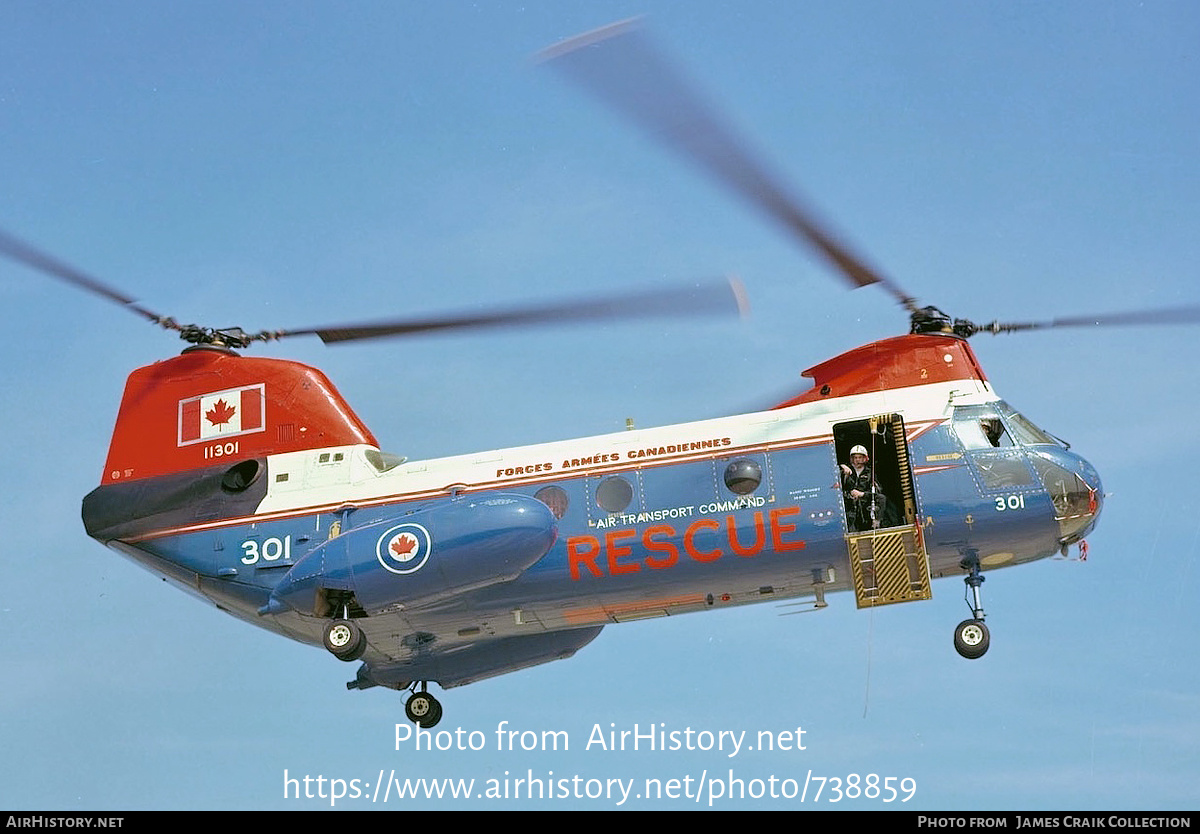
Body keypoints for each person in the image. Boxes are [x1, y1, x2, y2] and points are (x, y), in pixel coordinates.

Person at [839, 444, 894, 531]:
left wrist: (862, 494)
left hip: (865, 503)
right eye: (855, 457)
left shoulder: (870, 472)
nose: (857, 460)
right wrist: (842, 467)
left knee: (881, 498)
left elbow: (877, 490)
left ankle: (877, 522)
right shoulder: (844, 471)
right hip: (849, 503)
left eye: (860, 457)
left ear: (865, 458)